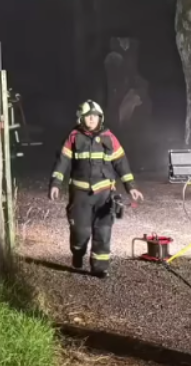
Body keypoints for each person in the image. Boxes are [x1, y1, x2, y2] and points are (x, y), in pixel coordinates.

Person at [49, 99, 144, 278]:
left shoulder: (110, 137)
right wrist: (55, 184)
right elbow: (62, 162)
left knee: (103, 231)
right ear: (81, 118)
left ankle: (100, 267)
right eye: (88, 117)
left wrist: (131, 187)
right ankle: (78, 253)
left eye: (95, 116)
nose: (91, 119)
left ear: (100, 118)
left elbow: (121, 163)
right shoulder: (73, 137)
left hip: (104, 195)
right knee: (80, 231)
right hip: (80, 195)